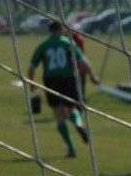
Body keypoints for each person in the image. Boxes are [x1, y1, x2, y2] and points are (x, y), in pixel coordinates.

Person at [27, 20, 99, 158]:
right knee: (72, 108)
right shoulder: (68, 43)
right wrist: (93, 77)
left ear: (50, 31)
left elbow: (31, 67)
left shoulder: (43, 45)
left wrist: (32, 84)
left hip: (51, 80)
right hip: (68, 79)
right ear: (61, 30)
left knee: (58, 115)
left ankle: (71, 148)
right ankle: (78, 124)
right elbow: (84, 62)